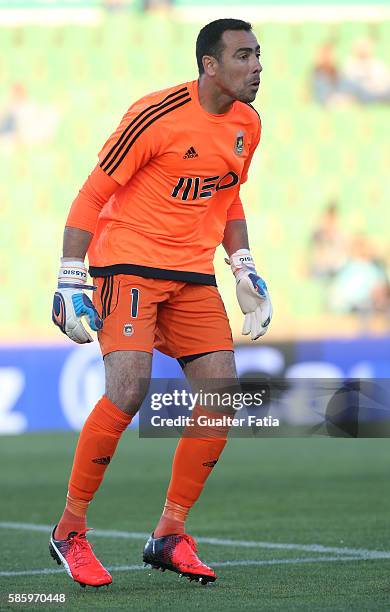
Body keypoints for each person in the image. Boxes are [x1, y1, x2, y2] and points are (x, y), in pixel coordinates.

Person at [50, 18, 272, 588]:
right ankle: (70, 530)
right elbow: (92, 193)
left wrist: (242, 265)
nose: (256, 67)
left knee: (221, 390)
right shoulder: (156, 115)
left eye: (257, 56)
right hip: (127, 262)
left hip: (192, 272)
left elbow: (229, 198)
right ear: (209, 65)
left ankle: (169, 534)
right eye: (243, 56)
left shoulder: (248, 124)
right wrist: (71, 277)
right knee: (127, 388)